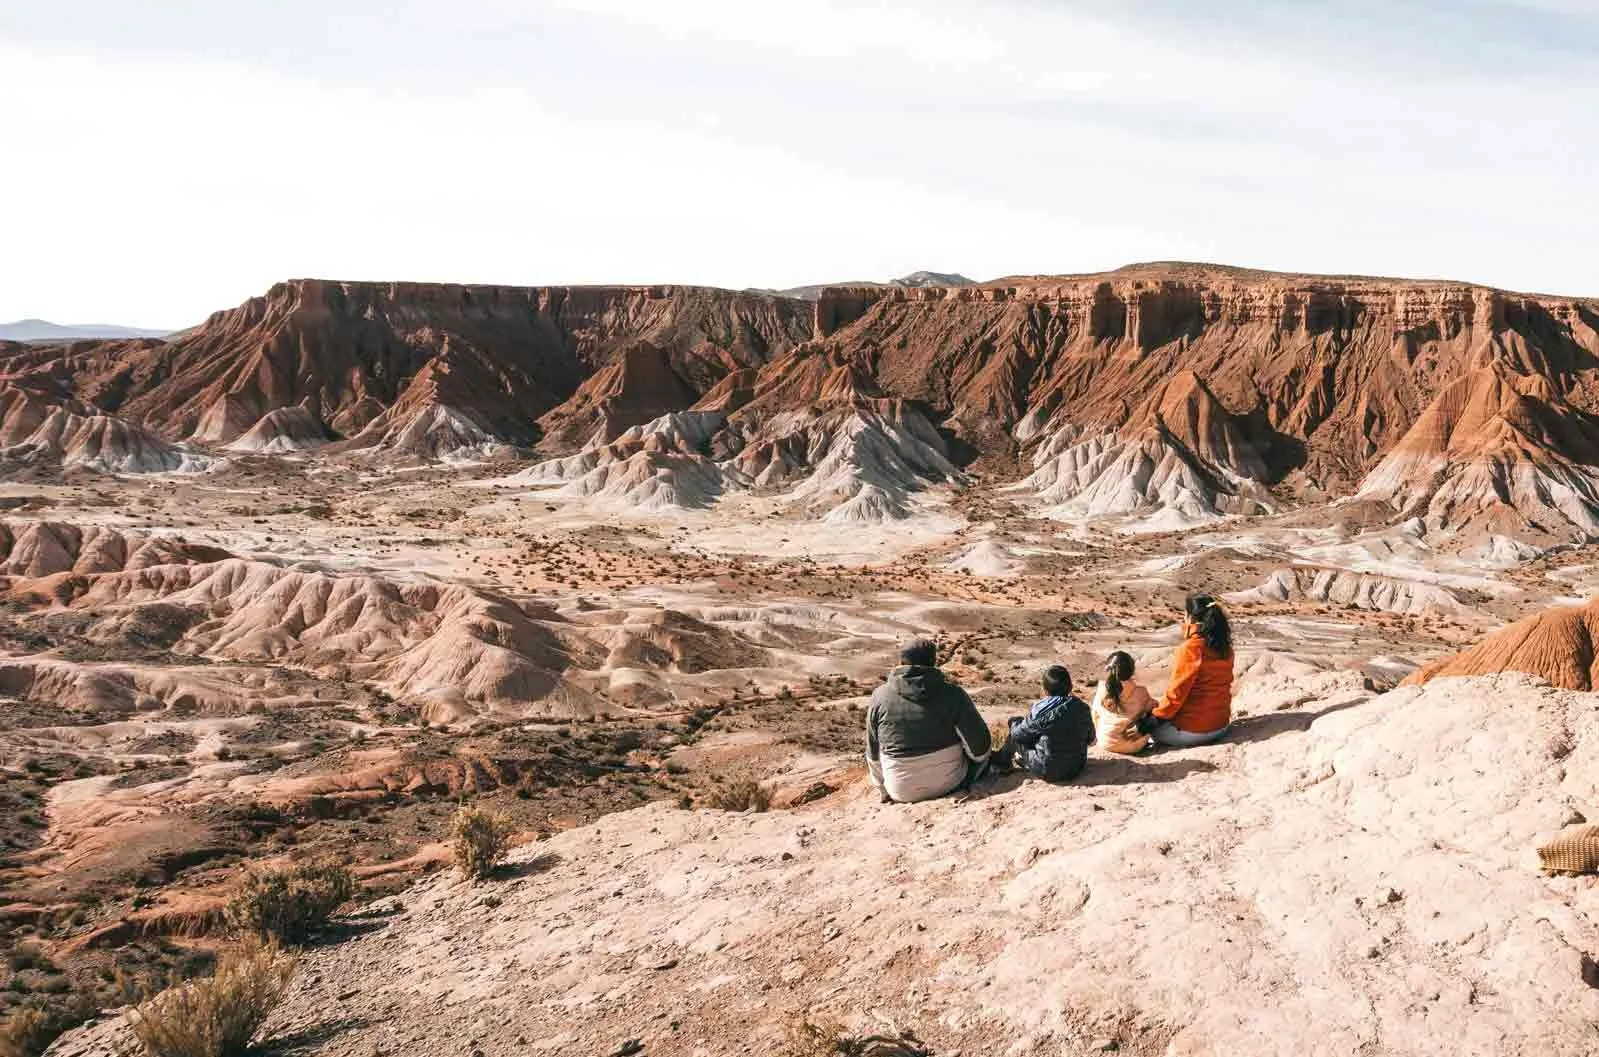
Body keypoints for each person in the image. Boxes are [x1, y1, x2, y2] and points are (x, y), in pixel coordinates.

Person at [866, 639, 991, 803]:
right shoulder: (952, 694)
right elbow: (979, 750)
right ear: (933, 662)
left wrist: (883, 789)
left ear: (901, 662)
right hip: (950, 783)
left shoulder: (880, 696)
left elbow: (872, 752)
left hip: (901, 791)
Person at [1142, 593, 1235, 747]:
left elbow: (1177, 692)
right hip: (1221, 726)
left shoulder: (1191, 648)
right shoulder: (1225, 647)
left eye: (1184, 614)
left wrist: (1154, 718)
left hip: (1194, 732)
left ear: (1190, 617)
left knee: (1150, 722)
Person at [1002, 665, 1095, 782]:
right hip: (1077, 766)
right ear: (1070, 686)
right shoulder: (1082, 708)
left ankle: (1002, 762)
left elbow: (1018, 735)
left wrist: (1013, 723)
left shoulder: (1040, 712)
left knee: (1016, 728)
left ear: (1046, 690)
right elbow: (1091, 739)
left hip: (1048, 770)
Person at [1091, 651, 1155, 754]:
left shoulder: (1102, 689)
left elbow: (1095, 715)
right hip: (1129, 746)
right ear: (1132, 671)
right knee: (1153, 717)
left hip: (1104, 742)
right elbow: (1153, 708)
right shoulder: (1140, 692)